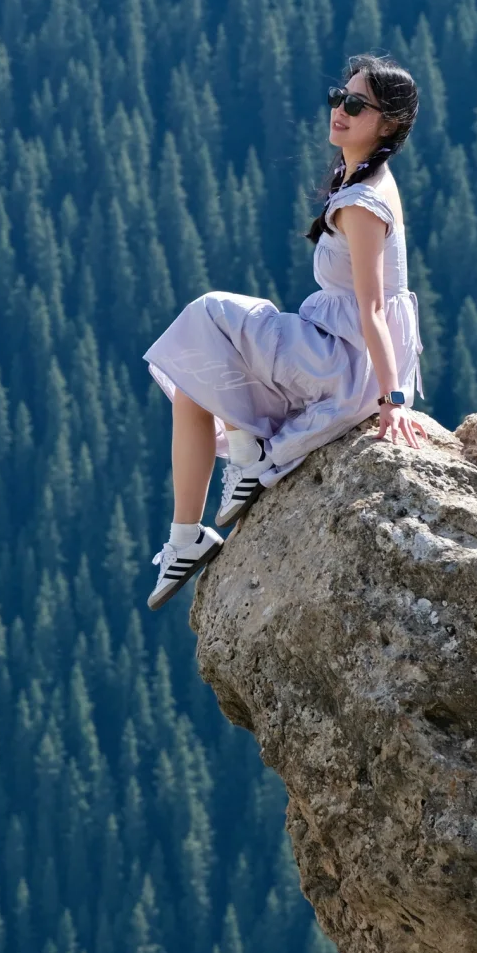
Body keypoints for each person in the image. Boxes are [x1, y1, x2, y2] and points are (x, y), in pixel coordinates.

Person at [144, 52, 428, 609]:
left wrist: (392, 400)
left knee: (210, 314)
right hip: (335, 347)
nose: (339, 112)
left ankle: (243, 466)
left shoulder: (364, 203)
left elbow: (372, 308)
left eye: (355, 104)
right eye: (338, 98)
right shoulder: (360, 177)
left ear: (388, 123)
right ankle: (186, 537)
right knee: (191, 385)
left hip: (346, 361)